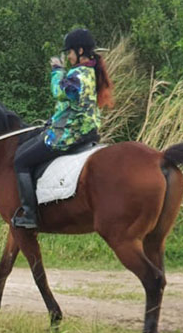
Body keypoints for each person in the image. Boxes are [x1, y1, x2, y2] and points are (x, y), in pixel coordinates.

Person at [11, 28, 114, 229]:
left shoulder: (78, 74)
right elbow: (71, 105)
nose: (68, 56)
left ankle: (30, 216)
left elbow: (60, 92)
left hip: (68, 135)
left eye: (70, 53)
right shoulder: (92, 72)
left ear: (80, 51)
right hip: (85, 131)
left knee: (20, 161)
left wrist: (57, 70)